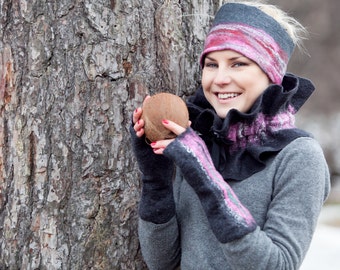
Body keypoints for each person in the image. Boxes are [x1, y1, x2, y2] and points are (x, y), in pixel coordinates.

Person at [130, 1, 331, 269]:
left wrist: (208, 180)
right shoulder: (196, 142)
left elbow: (279, 265)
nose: (220, 78)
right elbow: (163, 262)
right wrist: (157, 178)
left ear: (271, 74)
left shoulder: (300, 155)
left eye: (238, 64)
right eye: (211, 65)